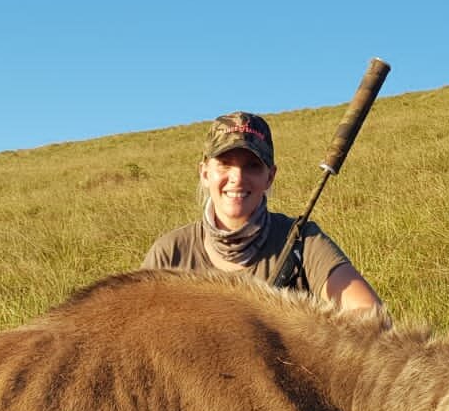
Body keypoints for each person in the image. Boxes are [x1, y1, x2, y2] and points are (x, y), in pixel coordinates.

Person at [141, 111, 383, 314]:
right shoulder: (169, 254)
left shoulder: (302, 241)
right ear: (205, 173)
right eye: (225, 164)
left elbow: (368, 314)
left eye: (252, 166)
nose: (237, 178)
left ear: (270, 176)